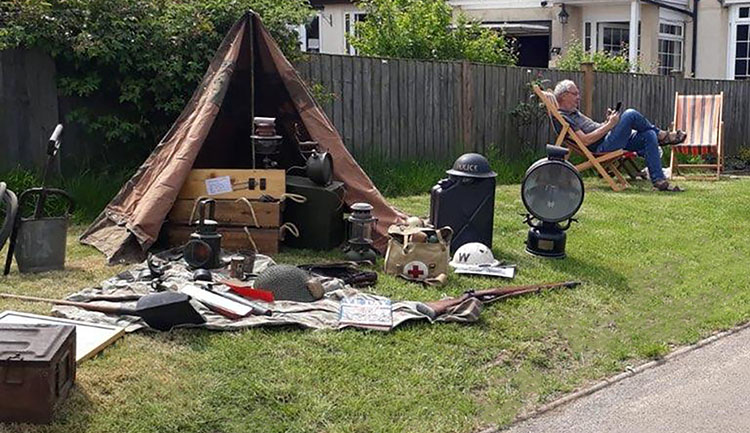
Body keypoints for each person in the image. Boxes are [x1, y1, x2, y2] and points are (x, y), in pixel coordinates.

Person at [553, 79, 686, 192]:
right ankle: (663, 136)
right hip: (602, 148)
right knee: (630, 114)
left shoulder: (574, 112)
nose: (578, 97)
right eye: (575, 94)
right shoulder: (564, 117)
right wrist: (610, 125)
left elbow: (594, 129)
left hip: (608, 138)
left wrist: (607, 122)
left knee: (649, 134)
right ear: (564, 96)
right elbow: (586, 140)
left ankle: (659, 181)